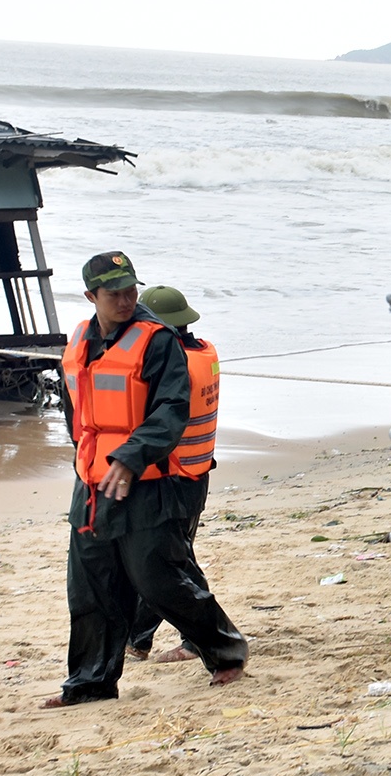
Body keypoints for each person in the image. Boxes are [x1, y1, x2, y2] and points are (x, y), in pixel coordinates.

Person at [47, 253, 246, 707]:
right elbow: (74, 409)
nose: (125, 299)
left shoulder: (157, 342)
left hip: (146, 482)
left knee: (158, 578)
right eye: (114, 292)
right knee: (90, 584)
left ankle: (225, 652)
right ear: (90, 296)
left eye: (130, 290)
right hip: (93, 484)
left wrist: (130, 457)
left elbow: (171, 410)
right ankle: (90, 684)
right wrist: (90, 460)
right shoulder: (79, 340)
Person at [126, 285, 221, 664]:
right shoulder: (204, 352)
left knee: (166, 560)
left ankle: (196, 638)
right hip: (198, 472)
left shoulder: (172, 364)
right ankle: (139, 637)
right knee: (167, 556)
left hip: (173, 477)